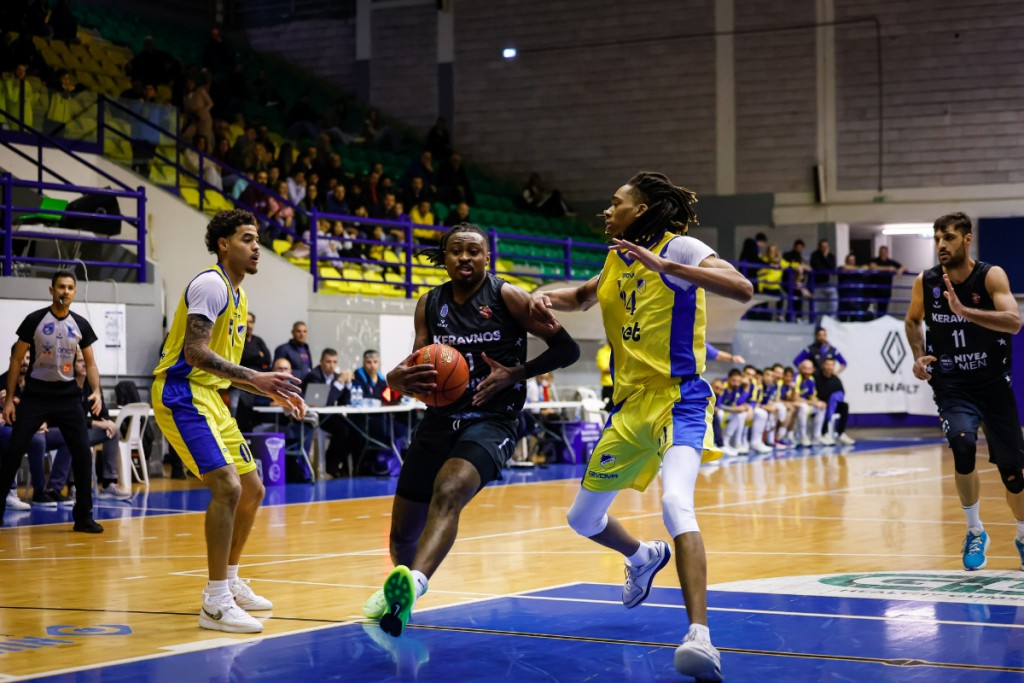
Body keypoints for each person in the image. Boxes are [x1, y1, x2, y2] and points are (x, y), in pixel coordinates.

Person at [529, 172, 753, 680]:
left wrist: (667, 265)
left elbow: (742, 288)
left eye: (616, 203)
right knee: (582, 520)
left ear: (644, 208)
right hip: (628, 408)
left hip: (680, 399)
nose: (607, 212)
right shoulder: (615, 258)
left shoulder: (685, 247)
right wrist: (539, 296)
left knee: (675, 502)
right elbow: (582, 297)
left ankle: (701, 637)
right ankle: (641, 555)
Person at [361, 222, 580, 639]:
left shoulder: (509, 296)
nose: (465, 257)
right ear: (444, 258)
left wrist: (516, 372)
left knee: (449, 491)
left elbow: (568, 349)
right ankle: (399, 596)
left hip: (492, 420)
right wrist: (394, 377)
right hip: (439, 419)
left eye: (474, 251)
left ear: (487, 258)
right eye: (457, 251)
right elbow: (416, 363)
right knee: (402, 533)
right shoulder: (429, 303)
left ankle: (416, 585)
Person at [151, 209, 306, 633]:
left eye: (257, 240)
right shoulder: (210, 285)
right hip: (181, 392)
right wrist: (257, 377)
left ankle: (231, 580)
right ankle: (214, 602)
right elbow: (195, 353)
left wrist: (274, 391)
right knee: (227, 486)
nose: (257, 247)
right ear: (224, 244)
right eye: (248, 239)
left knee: (252, 490)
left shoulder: (240, 296)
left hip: (212, 398)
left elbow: (226, 369)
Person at [905, 212, 1024, 572]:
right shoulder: (925, 282)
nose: (941, 245)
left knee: (1014, 472)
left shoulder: (990, 275)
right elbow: (912, 320)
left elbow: (1015, 322)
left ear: (967, 239)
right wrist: (917, 355)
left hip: (992, 384)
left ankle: (1022, 535)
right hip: (952, 384)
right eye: (937, 238)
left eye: (949, 238)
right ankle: (975, 530)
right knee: (963, 444)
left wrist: (964, 311)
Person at [0, 271, 104, 531]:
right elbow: (15, 360)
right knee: (14, 451)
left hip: (67, 396)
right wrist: (11, 399)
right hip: (36, 394)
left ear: (74, 293)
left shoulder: (80, 324)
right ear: (51, 290)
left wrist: (97, 391)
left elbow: (90, 363)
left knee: (82, 452)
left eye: (70, 287)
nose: (65, 291)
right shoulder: (34, 320)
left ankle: (83, 516)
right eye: (61, 287)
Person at [44, 349, 132, 502]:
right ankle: (73, 486)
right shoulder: (65, 385)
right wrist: (96, 423)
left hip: (83, 430)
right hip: (63, 429)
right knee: (73, 436)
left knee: (113, 431)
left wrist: (107, 422)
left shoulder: (92, 385)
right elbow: (67, 418)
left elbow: (101, 412)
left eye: (87, 361)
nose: (84, 364)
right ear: (71, 364)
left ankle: (108, 484)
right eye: (79, 361)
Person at [814, 358, 855, 446]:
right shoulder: (816, 377)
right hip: (819, 404)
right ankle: (824, 433)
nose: (829, 367)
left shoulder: (836, 379)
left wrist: (834, 399)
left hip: (832, 405)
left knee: (844, 406)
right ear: (823, 365)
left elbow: (841, 393)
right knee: (824, 406)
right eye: (827, 364)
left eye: (832, 365)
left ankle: (841, 433)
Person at [869, 245, 906, 318]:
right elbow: (873, 267)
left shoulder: (890, 261)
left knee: (883, 309)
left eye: (885, 252)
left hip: (886, 289)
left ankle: (881, 324)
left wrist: (900, 270)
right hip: (875, 289)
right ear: (879, 252)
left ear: (887, 252)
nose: (883, 253)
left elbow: (904, 267)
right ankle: (873, 323)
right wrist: (888, 268)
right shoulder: (875, 260)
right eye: (882, 251)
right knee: (872, 309)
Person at [810, 239, 838, 323]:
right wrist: (823, 258)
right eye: (823, 246)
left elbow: (832, 268)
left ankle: (831, 321)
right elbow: (817, 267)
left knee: (833, 304)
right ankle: (817, 324)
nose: (825, 248)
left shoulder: (831, 256)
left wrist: (826, 257)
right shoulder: (815, 255)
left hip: (828, 283)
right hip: (817, 284)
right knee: (817, 306)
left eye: (826, 246)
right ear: (819, 247)